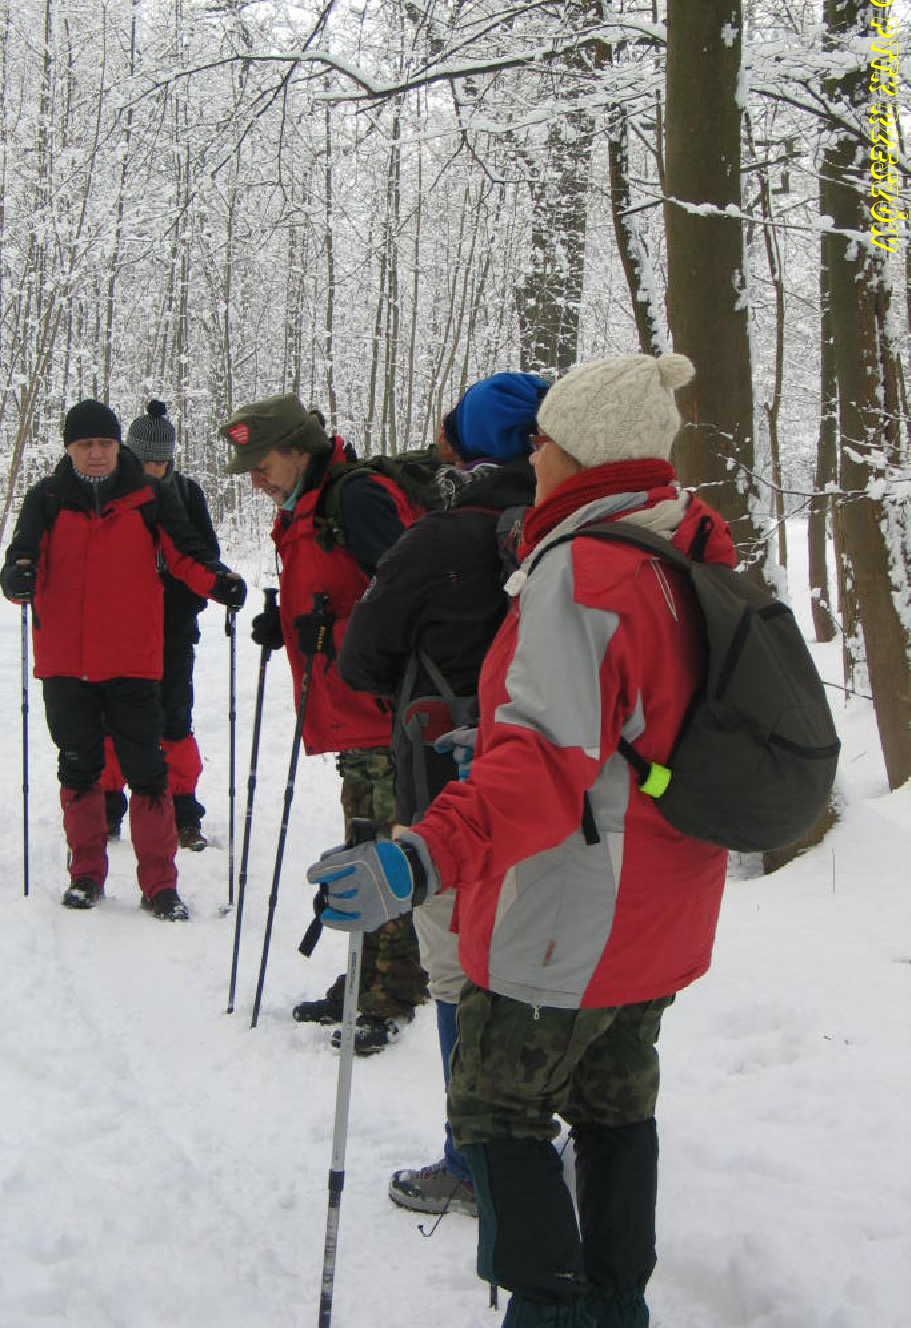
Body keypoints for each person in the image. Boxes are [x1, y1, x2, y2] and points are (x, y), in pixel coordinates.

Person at [307, 353, 735, 1328]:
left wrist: (417, 855)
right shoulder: (684, 548)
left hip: (569, 913)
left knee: (495, 1111)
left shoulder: (583, 573)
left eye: (544, 441)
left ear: (580, 451)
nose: (530, 455)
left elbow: (542, 771)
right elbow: (628, 726)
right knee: (615, 1111)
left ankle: (549, 1312)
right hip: (664, 902)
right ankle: (615, 1307)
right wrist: (505, 734)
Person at [338, 371, 547, 1218]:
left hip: (447, 793)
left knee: (461, 972)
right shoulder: (579, 532)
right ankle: (539, 1140)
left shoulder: (437, 539)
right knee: (541, 968)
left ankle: (474, 1161)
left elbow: (362, 660)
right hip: (561, 796)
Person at [221, 393, 429, 1053]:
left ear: (296, 450)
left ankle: (391, 991)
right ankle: (376, 977)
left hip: (382, 711)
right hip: (354, 709)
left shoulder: (354, 500)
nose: (255, 479)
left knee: (380, 848)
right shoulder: (310, 505)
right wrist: (286, 626)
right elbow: (337, 595)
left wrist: (326, 633)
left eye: (261, 464)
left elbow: (407, 600)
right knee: (366, 840)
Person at [0, 399, 246, 921]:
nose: (96, 453)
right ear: (69, 449)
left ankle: (160, 885)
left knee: (149, 772)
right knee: (78, 768)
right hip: (65, 662)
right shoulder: (46, 499)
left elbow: (185, 554)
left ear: (118, 447)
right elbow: (21, 555)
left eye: (104, 444)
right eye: (85, 444)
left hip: (132, 660)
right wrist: (17, 577)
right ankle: (85, 875)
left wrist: (217, 582)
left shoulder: (149, 497)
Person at [100, 399, 221, 852]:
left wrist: (195, 595)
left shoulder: (187, 494)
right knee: (112, 722)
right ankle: (106, 809)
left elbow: (204, 554)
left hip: (172, 630)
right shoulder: (109, 495)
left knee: (175, 723)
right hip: (119, 632)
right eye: (145, 460)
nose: (154, 469)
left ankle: (183, 812)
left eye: (161, 461)